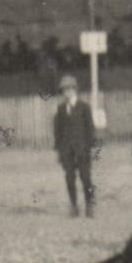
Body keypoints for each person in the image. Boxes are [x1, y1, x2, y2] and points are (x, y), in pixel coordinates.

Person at [52, 73, 97, 217]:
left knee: (86, 178)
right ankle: (73, 206)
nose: (66, 93)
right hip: (67, 150)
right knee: (70, 178)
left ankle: (90, 205)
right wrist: (59, 150)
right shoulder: (60, 109)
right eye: (64, 90)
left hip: (82, 149)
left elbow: (90, 128)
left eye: (69, 89)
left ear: (75, 90)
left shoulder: (84, 107)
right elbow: (57, 131)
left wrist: (89, 147)